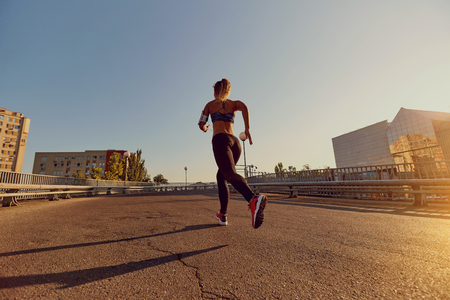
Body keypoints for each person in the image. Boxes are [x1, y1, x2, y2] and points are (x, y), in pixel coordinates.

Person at [198, 78, 267, 229]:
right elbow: (245, 107)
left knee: (228, 174)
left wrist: (206, 128)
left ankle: (253, 199)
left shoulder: (209, 105)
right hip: (235, 143)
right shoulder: (233, 103)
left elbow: (201, 125)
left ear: (216, 91)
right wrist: (247, 128)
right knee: (221, 176)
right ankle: (223, 215)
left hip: (221, 140)